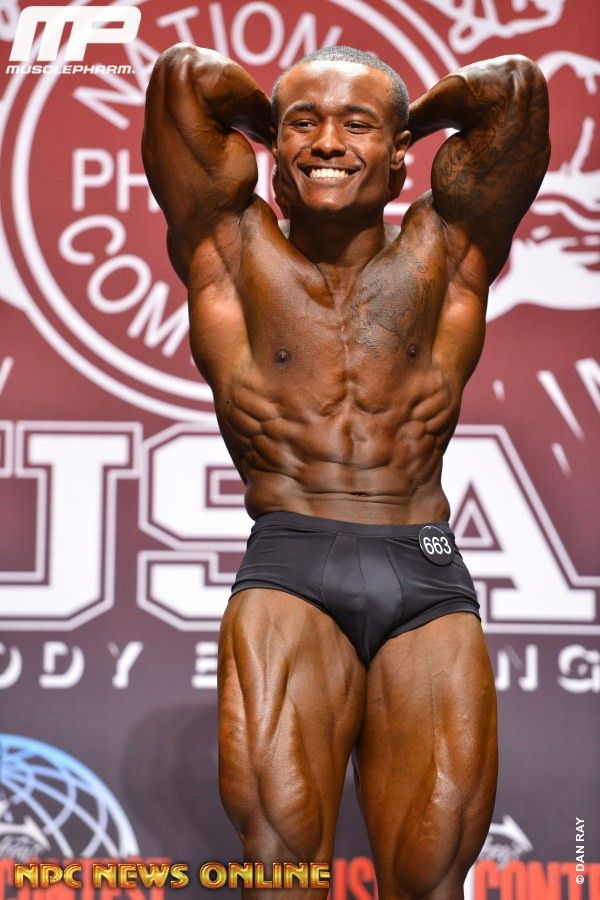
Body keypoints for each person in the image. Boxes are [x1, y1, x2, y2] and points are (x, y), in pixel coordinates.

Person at [143, 43, 549, 899]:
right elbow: (184, 79)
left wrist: (401, 121)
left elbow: (514, 92)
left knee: (431, 874)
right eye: (305, 124)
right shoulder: (228, 246)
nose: (327, 142)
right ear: (275, 150)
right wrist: (288, 130)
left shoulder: (450, 249)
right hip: (293, 569)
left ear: (401, 155)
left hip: (423, 572)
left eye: (355, 125)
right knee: (281, 866)